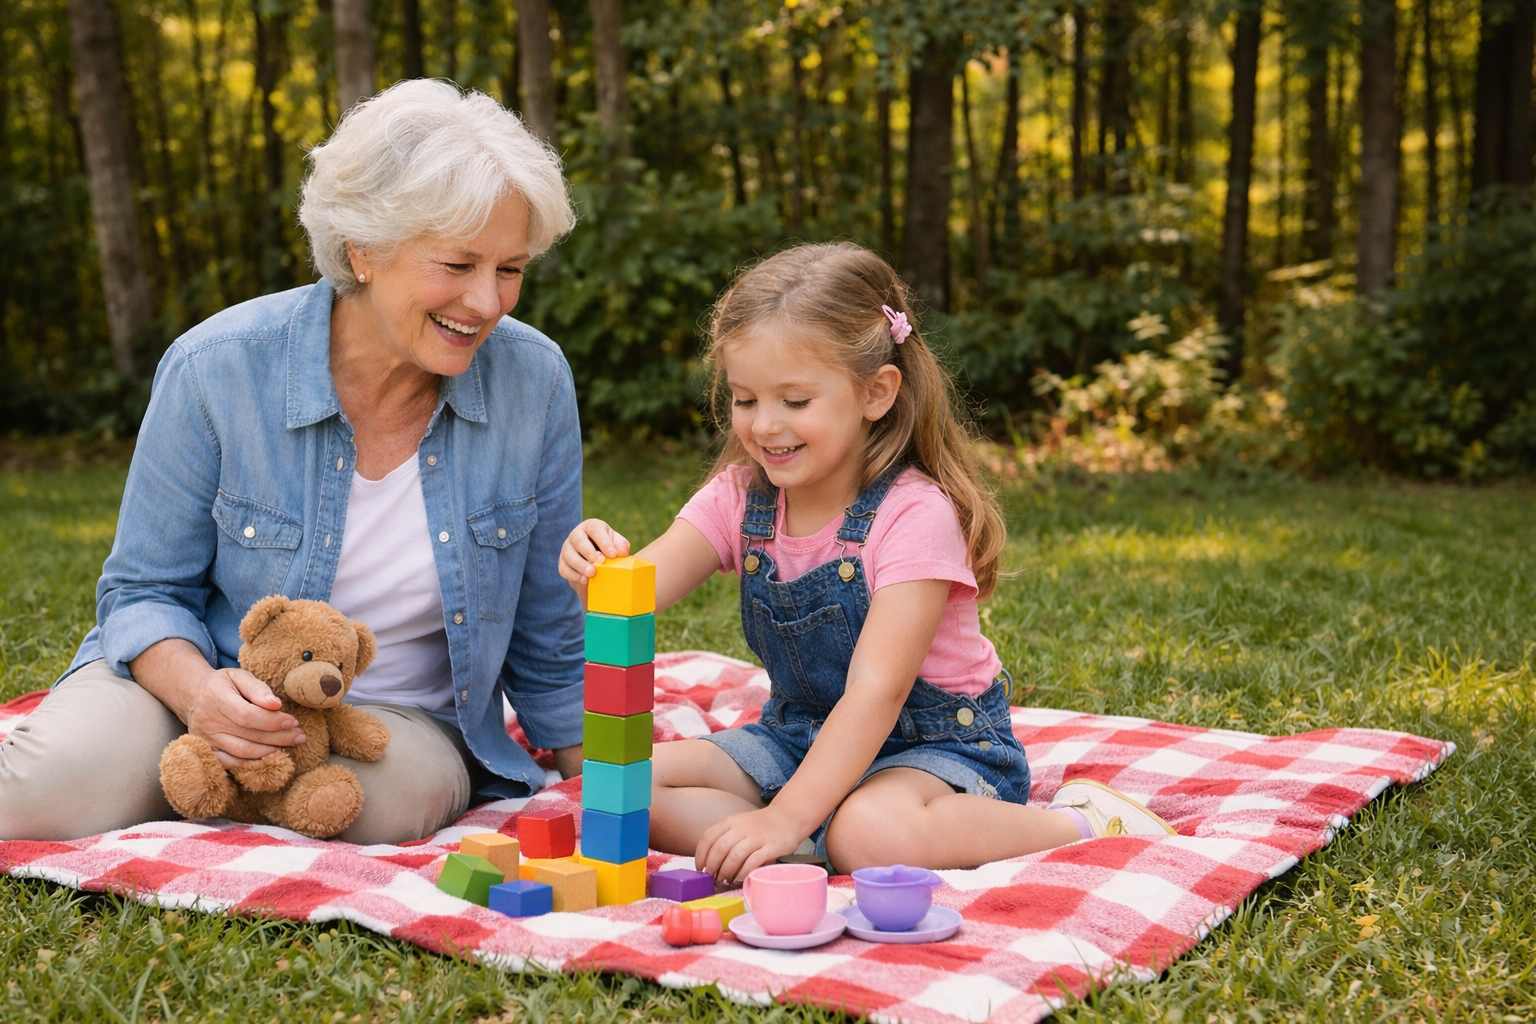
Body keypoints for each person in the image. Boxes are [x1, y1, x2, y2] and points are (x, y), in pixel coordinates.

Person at [0, 80, 587, 845]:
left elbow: (551, 626)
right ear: (363, 250)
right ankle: (197, 781)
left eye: (510, 268)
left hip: (394, 725)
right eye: (458, 264)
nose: (486, 302)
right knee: (39, 794)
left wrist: (609, 790)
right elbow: (143, 591)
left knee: (379, 805)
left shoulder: (533, 381)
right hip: (196, 685)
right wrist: (205, 697)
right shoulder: (216, 368)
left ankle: (197, 797)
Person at [561, 242, 1176, 881]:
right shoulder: (740, 497)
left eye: (795, 401)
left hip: (934, 748)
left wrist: (783, 815)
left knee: (869, 832)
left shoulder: (915, 515)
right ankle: (804, 844)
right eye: (745, 400)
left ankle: (1077, 823)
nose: (765, 425)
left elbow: (876, 693)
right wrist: (597, 567)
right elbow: (637, 590)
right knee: (620, 782)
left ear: (876, 393)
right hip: (799, 737)